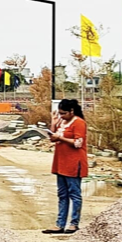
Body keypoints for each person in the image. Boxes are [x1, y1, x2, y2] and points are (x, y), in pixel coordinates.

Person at [44, 97, 88, 234]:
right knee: (62, 194)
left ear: (72, 111)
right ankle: (60, 224)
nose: (61, 115)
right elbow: (53, 137)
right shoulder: (62, 122)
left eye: (63, 113)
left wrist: (60, 138)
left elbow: (78, 143)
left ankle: (74, 223)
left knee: (74, 194)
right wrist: (53, 123)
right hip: (61, 162)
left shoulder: (79, 123)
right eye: (60, 113)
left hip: (74, 162)